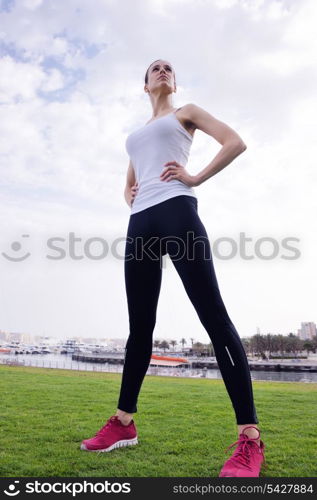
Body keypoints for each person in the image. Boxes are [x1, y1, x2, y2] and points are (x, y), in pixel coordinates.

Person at [80, 59, 266, 477]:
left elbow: (234, 142)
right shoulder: (135, 136)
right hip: (141, 223)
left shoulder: (187, 113)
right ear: (144, 85)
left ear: (174, 82)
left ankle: (250, 439)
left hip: (179, 214)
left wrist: (194, 177)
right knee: (139, 327)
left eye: (168, 68)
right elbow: (130, 185)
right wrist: (133, 198)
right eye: (154, 68)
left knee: (215, 319)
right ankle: (124, 424)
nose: (162, 70)